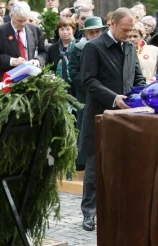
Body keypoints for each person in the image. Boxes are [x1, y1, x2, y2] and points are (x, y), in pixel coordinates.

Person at [80, 8, 146, 231]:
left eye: (131, 30)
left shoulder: (129, 46)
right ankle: (89, 213)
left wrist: (144, 94)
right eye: (125, 30)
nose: (129, 34)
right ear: (112, 24)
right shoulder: (94, 46)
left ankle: (119, 209)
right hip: (100, 114)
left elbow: (137, 77)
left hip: (126, 115)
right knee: (94, 166)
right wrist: (113, 98)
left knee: (123, 162)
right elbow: (87, 80)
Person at [69, 16, 107, 172]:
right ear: (86, 34)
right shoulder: (79, 47)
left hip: (105, 92)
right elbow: (73, 71)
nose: (95, 35)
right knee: (85, 125)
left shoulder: (106, 47)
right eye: (92, 32)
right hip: (85, 93)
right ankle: (82, 160)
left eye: (98, 31)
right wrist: (88, 84)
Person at [0, 1, 47, 83]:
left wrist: (37, 61)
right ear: (11, 16)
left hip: (32, 80)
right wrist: (12, 61)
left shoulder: (35, 30)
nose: (23, 24)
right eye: (19, 20)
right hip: (8, 81)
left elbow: (43, 53)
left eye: (25, 20)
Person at [47, 17, 76, 85]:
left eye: (68, 29)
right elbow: (49, 68)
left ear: (73, 31)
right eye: (62, 29)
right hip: (57, 86)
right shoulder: (52, 49)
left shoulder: (79, 47)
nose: (65, 32)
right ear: (58, 31)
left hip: (76, 86)